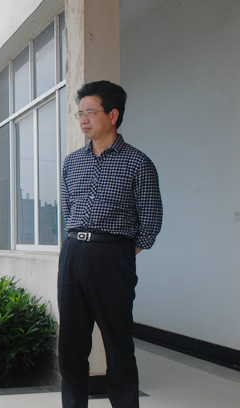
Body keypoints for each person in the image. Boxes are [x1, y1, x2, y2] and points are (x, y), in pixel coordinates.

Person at [58, 80, 163, 408]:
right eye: (80, 113)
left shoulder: (138, 163)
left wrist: (117, 251)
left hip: (113, 257)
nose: (83, 119)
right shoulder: (72, 162)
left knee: (118, 345)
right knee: (71, 345)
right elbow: (68, 212)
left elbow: (151, 221)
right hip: (72, 254)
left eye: (91, 112)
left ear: (113, 115)